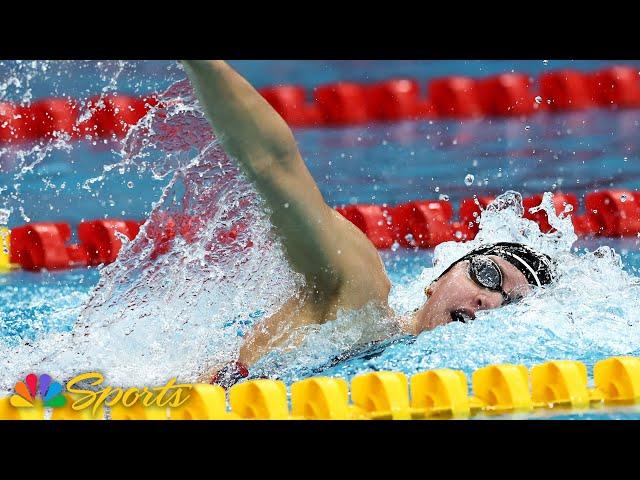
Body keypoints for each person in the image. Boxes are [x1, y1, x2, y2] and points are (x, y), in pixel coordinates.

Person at [181, 61, 555, 386]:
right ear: (435, 280)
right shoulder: (358, 299)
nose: (489, 300)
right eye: (488, 275)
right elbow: (274, 167)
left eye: (510, 305)